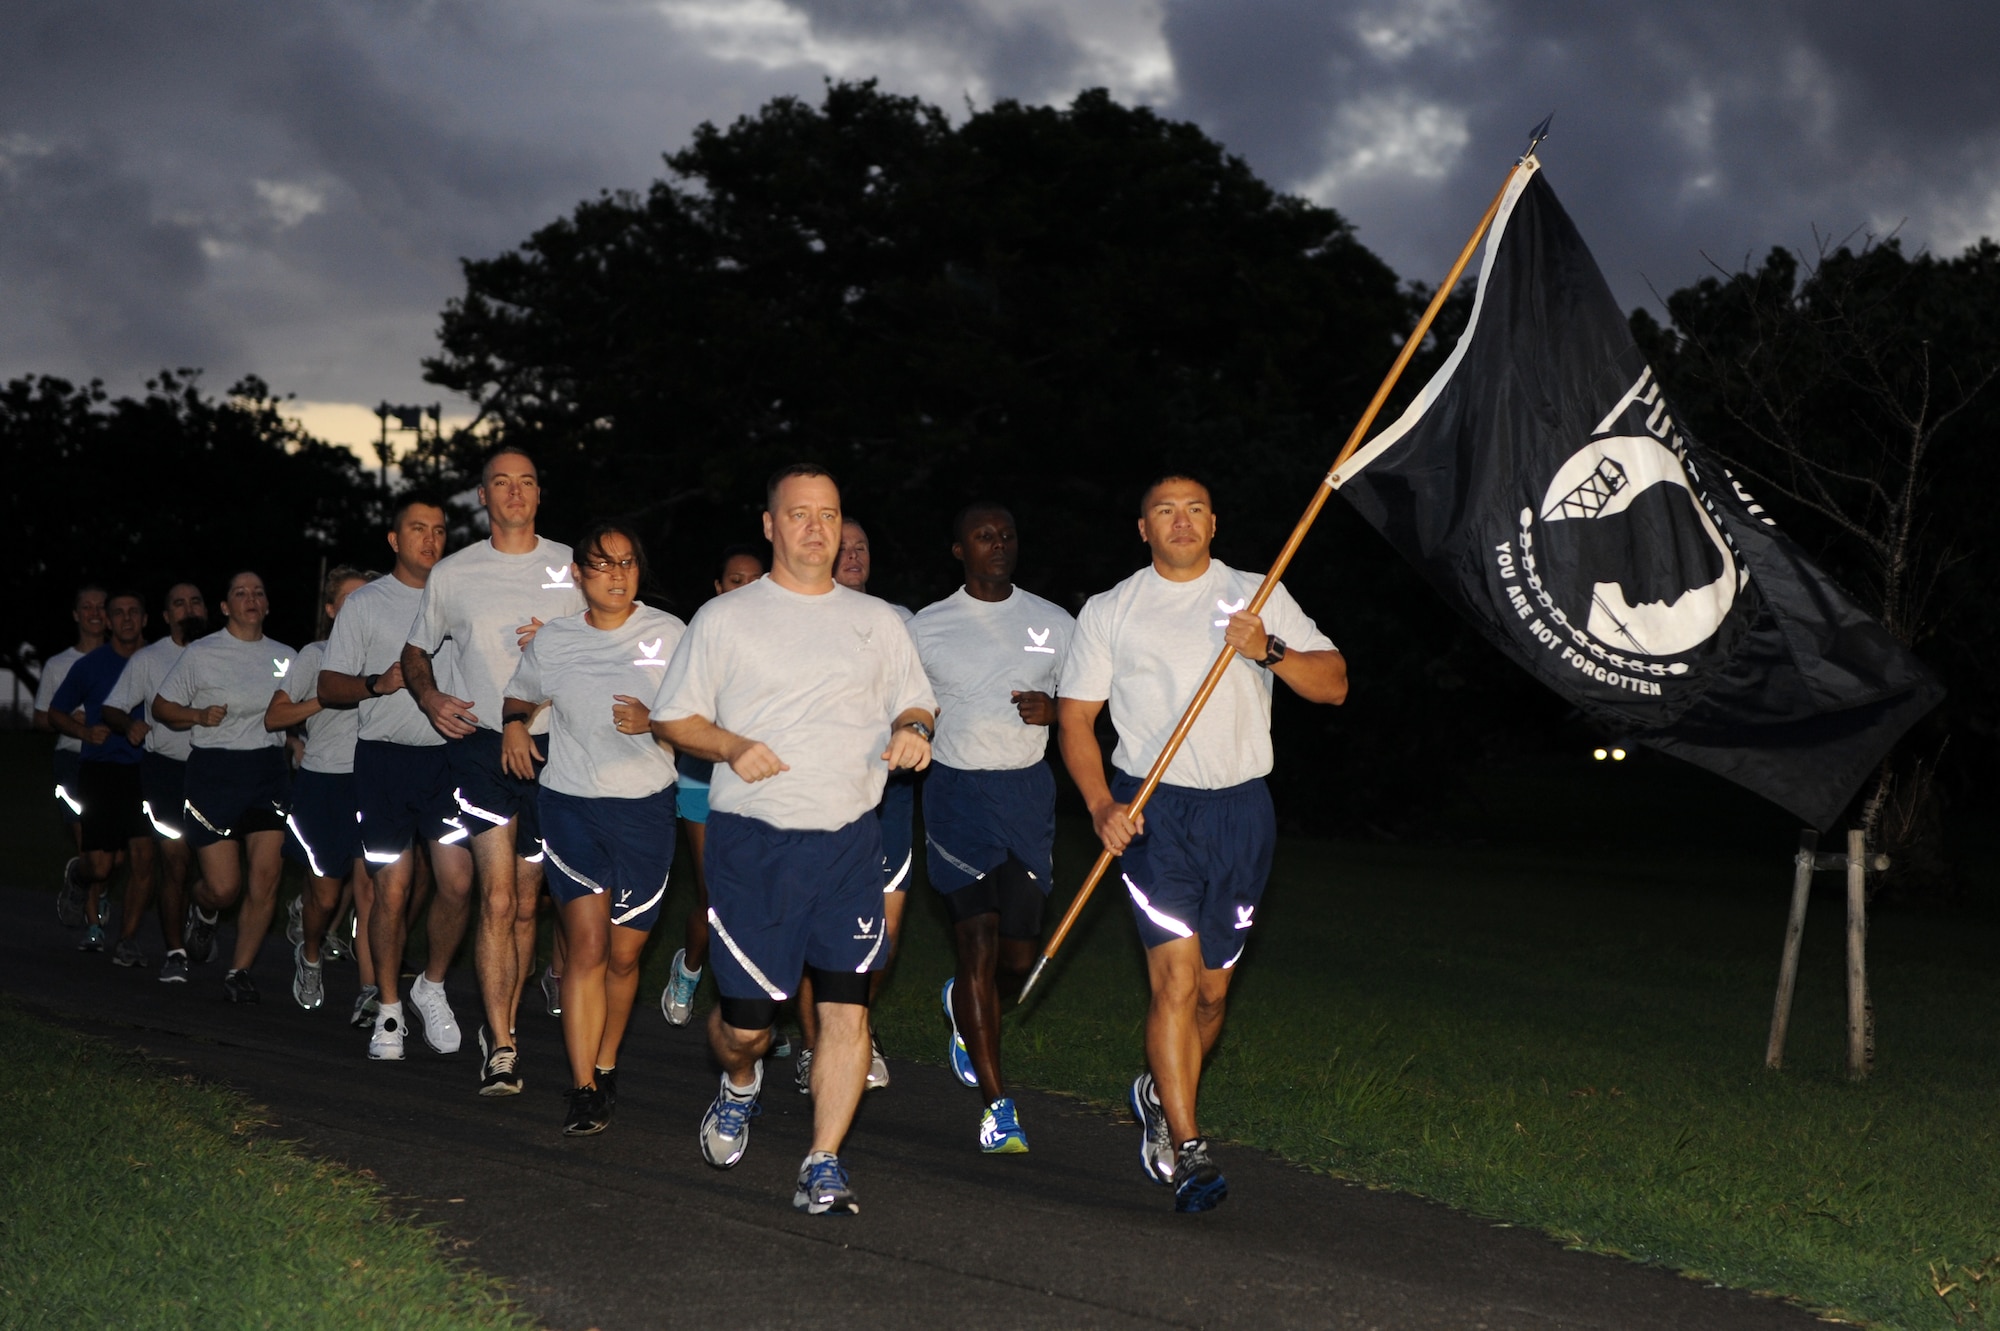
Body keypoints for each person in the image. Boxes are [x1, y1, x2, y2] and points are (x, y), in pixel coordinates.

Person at [651, 464, 936, 1215]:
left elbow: (916, 700)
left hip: (849, 843)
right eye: (800, 513)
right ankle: (740, 1081)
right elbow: (671, 717)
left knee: (847, 1009)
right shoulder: (727, 618)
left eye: (829, 514)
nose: (816, 528)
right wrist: (731, 745)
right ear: (770, 524)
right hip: (756, 844)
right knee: (748, 1028)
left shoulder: (877, 621)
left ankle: (822, 1159)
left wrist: (914, 728)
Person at [1058, 476, 1347, 1213]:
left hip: (1242, 812)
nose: (1180, 521)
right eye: (1164, 510)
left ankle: (1161, 1091)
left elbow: (1334, 684)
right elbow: (1076, 718)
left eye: (1194, 510)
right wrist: (1101, 805)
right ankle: (1189, 1149)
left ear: (1214, 523)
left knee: (1213, 996)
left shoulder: (1259, 592)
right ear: (1143, 528)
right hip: (1154, 811)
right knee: (1176, 985)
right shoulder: (1112, 609)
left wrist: (1267, 648)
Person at [403, 449, 584, 1093]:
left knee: (529, 904)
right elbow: (415, 651)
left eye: (526, 482)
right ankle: (502, 1044)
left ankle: (502, 1023)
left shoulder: (572, 566)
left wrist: (563, 641)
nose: (514, 492)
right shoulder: (454, 573)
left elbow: (610, 640)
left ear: (539, 493)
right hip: (481, 748)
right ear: (482, 496)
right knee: (498, 897)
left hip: (554, 745)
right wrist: (430, 698)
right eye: (501, 483)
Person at [503, 523, 686, 1135]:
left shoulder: (670, 633)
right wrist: (514, 726)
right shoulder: (555, 639)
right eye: (602, 564)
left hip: (646, 809)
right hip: (572, 804)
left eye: (626, 562)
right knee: (587, 948)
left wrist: (656, 721)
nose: (616, 574)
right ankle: (583, 1087)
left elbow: (702, 715)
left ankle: (605, 1065)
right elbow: (520, 695)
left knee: (624, 956)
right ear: (579, 575)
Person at [908, 503, 1073, 1153]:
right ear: (959, 550)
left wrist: (1057, 710)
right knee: (976, 942)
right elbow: (897, 701)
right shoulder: (928, 626)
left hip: (1026, 796)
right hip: (956, 795)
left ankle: (963, 1002)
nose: (998, 544)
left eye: (1006, 535)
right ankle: (999, 1107)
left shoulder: (1053, 622)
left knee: (1019, 958)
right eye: (983, 536)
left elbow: (1093, 704)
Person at [320, 493, 475, 1055]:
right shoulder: (367, 603)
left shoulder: (462, 597)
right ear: (394, 539)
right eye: (417, 529)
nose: (430, 540)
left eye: (438, 530)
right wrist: (375, 684)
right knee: (393, 887)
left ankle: (430, 985)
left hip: (449, 759)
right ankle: (388, 1009)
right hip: (384, 760)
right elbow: (328, 686)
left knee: (458, 883)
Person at [793, 517, 913, 1094]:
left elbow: (922, 700)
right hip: (819, 799)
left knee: (881, 938)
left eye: (863, 547)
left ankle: (854, 1024)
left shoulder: (898, 621)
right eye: (847, 547)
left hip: (890, 796)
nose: (855, 555)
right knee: (815, 931)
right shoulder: (801, 619)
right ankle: (814, 1043)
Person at [152, 571, 299, 1002]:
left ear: (267, 605)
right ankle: (204, 909)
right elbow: (162, 706)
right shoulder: (202, 653)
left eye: (258, 592)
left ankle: (240, 971)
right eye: (240, 593)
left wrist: (296, 739)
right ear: (225, 607)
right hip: (215, 773)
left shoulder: (287, 656)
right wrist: (197, 716)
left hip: (268, 772)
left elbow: (297, 708)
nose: (250, 599)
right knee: (224, 887)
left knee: (266, 877)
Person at [659, 543, 766, 1029]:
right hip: (703, 780)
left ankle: (752, 1011)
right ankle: (690, 968)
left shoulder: (782, 640)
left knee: (758, 898)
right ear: (719, 587)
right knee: (716, 897)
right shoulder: (699, 636)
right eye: (735, 581)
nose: (745, 590)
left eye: (755, 581)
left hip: (758, 783)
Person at [266, 567, 377, 1013]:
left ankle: (371, 991)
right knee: (327, 896)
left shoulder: (389, 654)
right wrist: (326, 698)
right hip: (324, 782)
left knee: (371, 894)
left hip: (373, 782)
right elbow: (275, 718)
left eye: (367, 599)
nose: (359, 609)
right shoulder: (315, 656)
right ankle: (310, 953)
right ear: (331, 610)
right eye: (349, 601)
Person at [102, 581, 208, 981]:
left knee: (216, 874)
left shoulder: (223, 652)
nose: (188, 609)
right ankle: (175, 951)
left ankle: (205, 912)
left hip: (216, 769)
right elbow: (113, 707)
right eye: (179, 603)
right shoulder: (149, 659)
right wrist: (129, 724)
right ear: (166, 616)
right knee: (174, 861)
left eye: (195, 601)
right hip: (165, 770)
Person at [48, 591, 154, 960]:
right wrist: (83, 732)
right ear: (108, 622)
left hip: (145, 769)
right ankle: (79, 877)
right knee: (102, 864)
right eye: (118, 613)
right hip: (101, 769)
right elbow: (56, 711)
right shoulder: (91, 665)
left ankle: (126, 940)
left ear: (144, 619)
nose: (127, 619)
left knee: (143, 857)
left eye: (134, 612)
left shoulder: (158, 661)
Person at [40, 584, 109, 923]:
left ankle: (83, 880)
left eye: (101, 607)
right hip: (73, 760)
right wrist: (70, 720)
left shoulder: (127, 661)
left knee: (114, 855)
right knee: (89, 845)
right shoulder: (59, 664)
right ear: (76, 614)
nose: (94, 613)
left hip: (117, 762)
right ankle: (94, 926)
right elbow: (42, 718)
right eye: (87, 606)